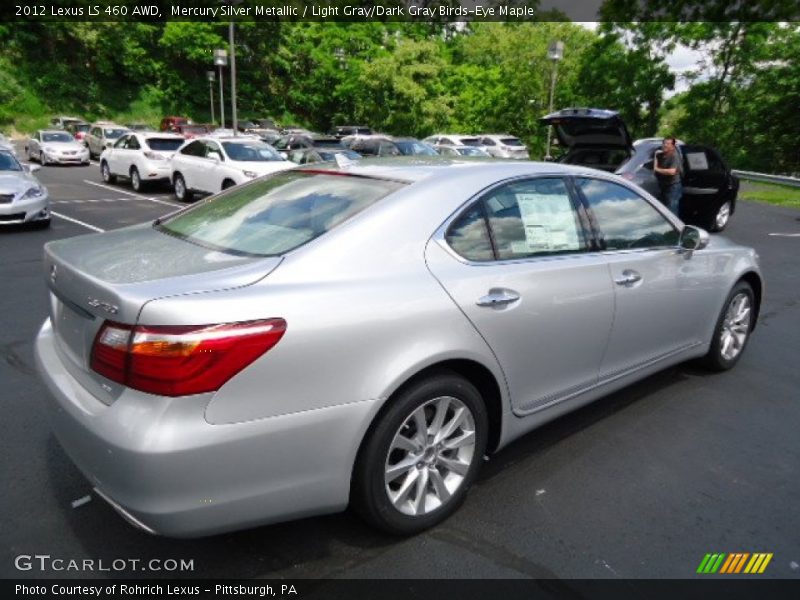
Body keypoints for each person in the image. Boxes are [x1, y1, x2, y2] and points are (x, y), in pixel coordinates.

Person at [653, 137, 683, 216]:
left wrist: (657, 169)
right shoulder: (660, 155)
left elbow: (672, 172)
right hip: (663, 186)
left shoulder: (674, 156)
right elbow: (654, 168)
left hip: (673, 187)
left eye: (667, 144)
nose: (665, 145)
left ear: (672, 146)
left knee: (672, 210)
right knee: (663, 210)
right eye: (664, 143)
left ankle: (675, 227)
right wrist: (656, 156)